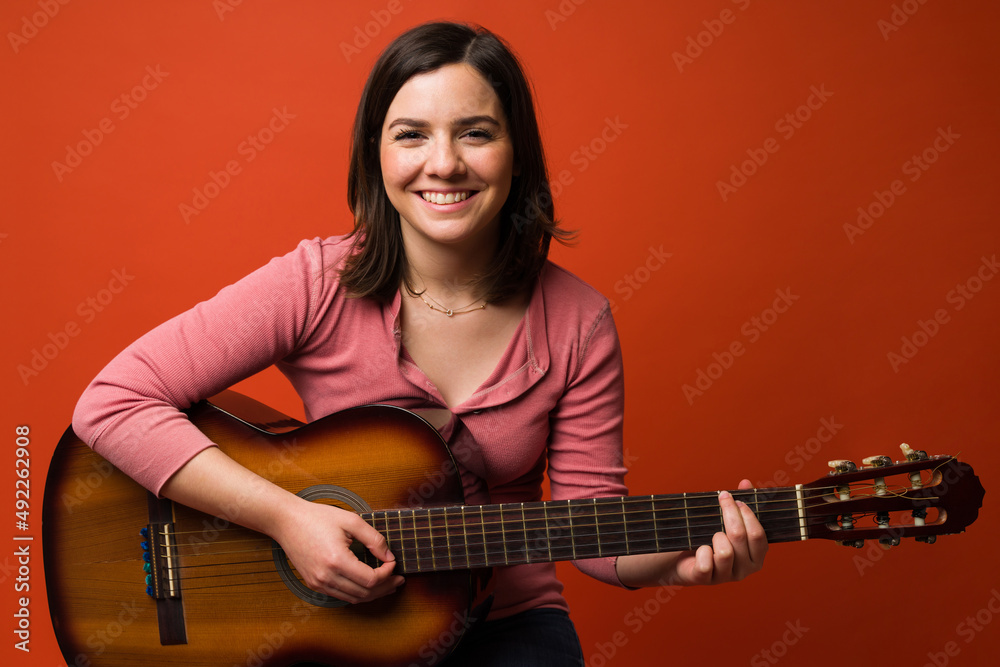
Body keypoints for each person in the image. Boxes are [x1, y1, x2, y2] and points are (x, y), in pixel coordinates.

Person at [72, 21, 767, 666]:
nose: (444, 163)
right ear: (375, 154)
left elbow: (595, 530)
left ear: (517, 153)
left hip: (509, 625)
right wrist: (287, 519)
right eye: (411, 135)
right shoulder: (316, 283)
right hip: (341, 627)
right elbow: (113, 402)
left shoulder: (578, 320)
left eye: (475, 133)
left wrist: (678, 564)